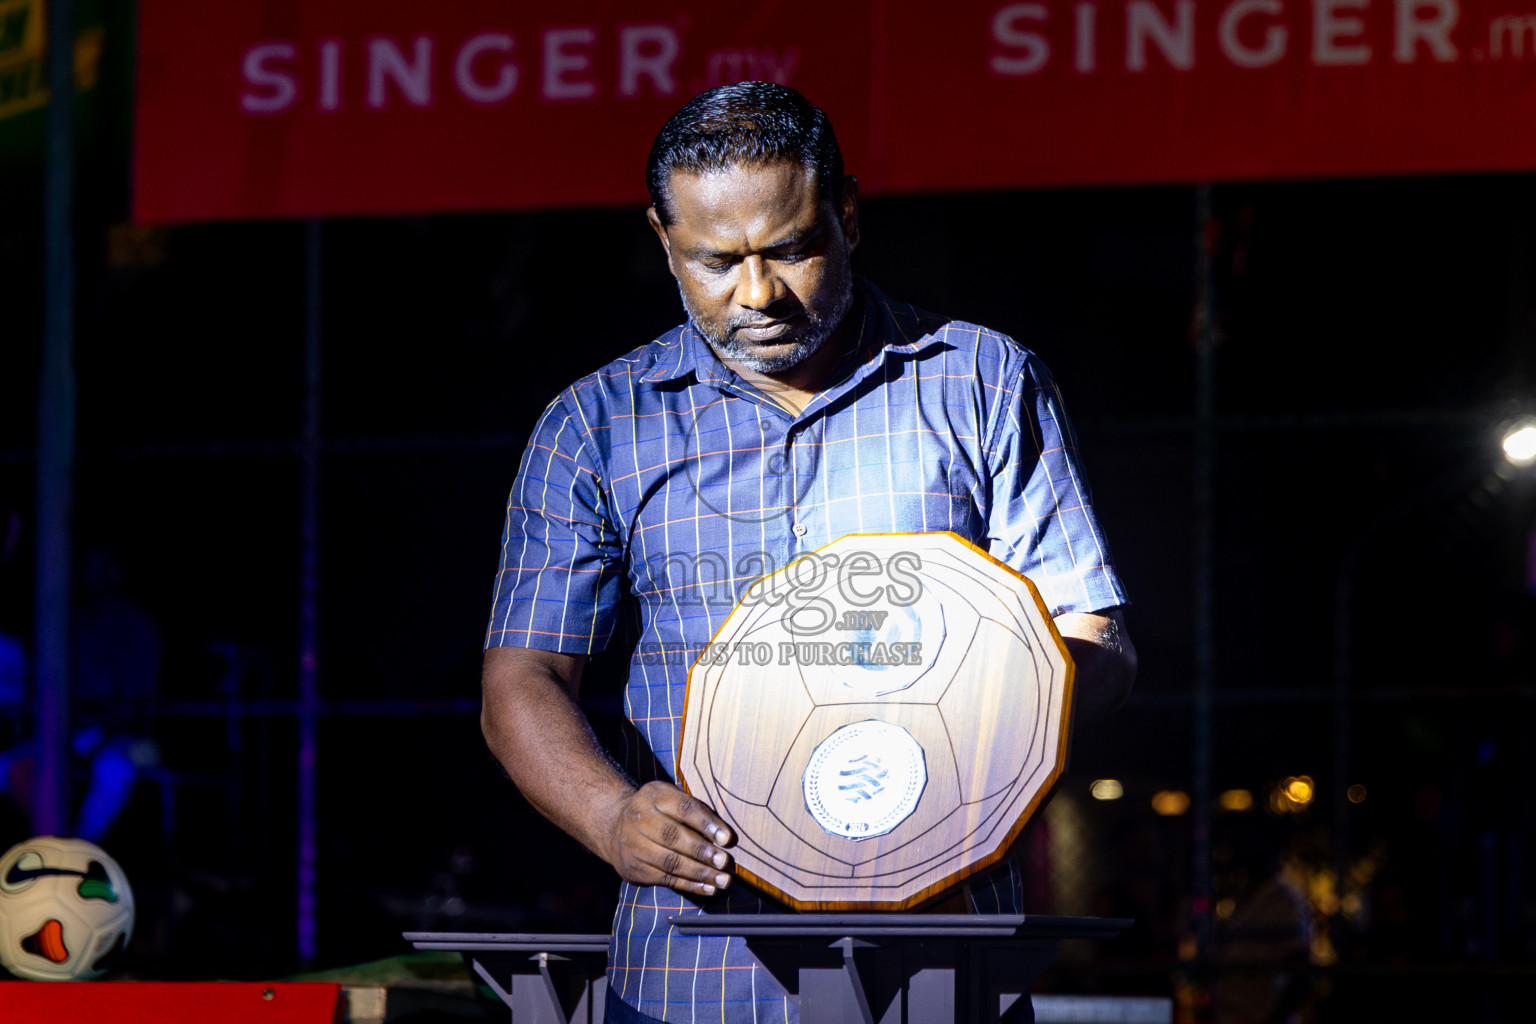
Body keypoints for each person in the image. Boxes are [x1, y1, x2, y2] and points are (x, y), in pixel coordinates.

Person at [480, 82, 1138, 1024]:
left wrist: (998, 703)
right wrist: (612, 818)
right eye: (716, 261)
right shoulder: (595, 426)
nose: (758, 294)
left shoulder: (982, 382)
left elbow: (1096, 638)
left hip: (939, 977)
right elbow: (522, 681)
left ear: (851, 217)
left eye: (791, 249)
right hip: (690, 979)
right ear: (664, 242)